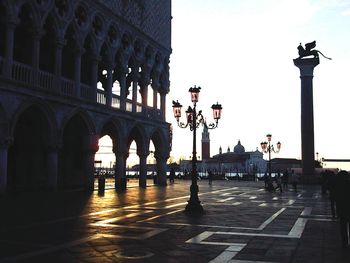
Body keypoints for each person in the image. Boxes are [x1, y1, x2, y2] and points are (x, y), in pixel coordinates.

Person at [334, 170, 350, 248]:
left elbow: (335, 197)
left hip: (341, 209)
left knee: (342, 226)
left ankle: (344, 242)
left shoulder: (337, 185)